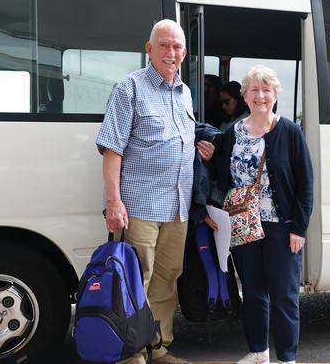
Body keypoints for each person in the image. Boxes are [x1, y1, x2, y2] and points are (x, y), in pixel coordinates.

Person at [96, 19, 213, 364]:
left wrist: (199, 146)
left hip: (177, 206)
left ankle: (157, 347)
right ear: (149, 49)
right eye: (164, 45)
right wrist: (114, 201)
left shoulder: (185, 92)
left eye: (177, 47)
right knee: (135, 282)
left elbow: (176, 139)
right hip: (139, 206)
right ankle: (130, 354)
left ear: (184, 52)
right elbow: (112, 150)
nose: (171, 53)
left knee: (166, 279)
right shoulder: (128, 88)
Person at [207, 65, 313, 364]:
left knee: (284, 297)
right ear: (245, 96)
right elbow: (220, 178)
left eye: (267, 90)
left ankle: (287, 359)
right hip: (243, 226)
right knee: (253, 294)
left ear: (276, 94)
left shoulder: (290, 132)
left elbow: (306, 183)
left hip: (281, 227)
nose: (261, 96)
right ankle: (258, 352)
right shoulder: (232, 134)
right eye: (254, 90)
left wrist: (300, 229)